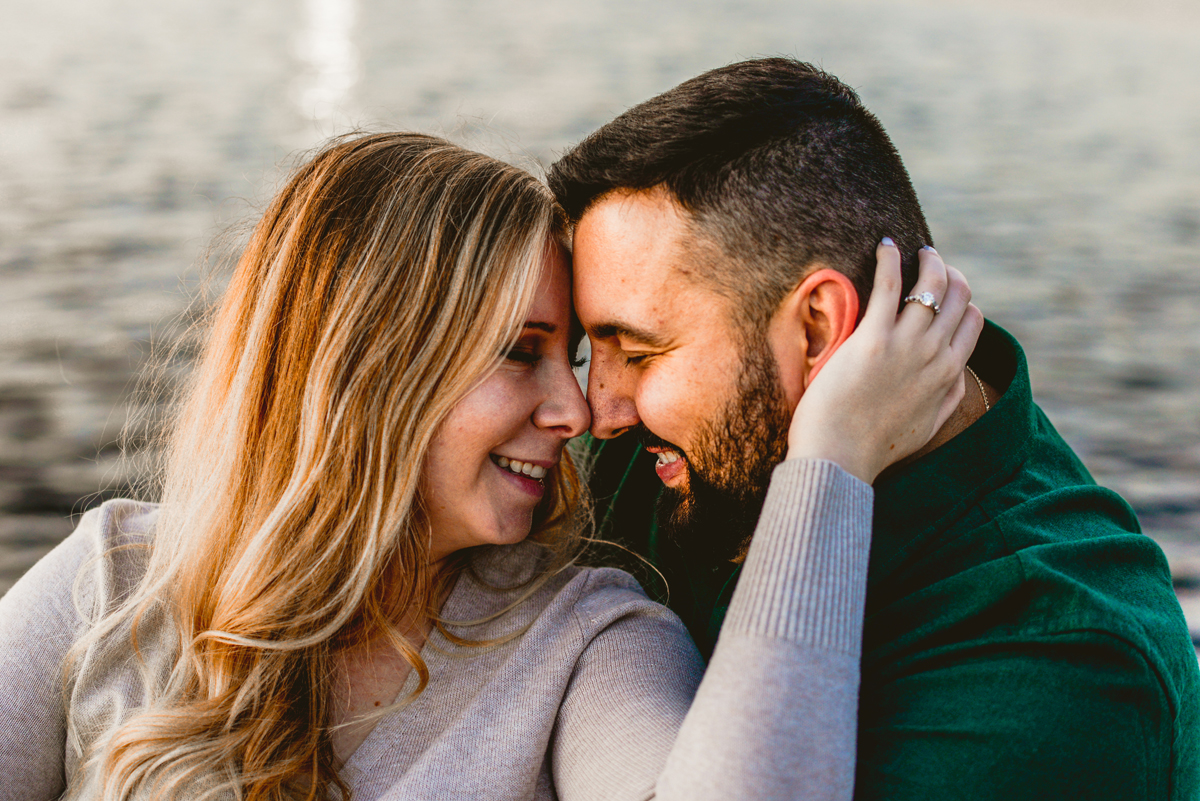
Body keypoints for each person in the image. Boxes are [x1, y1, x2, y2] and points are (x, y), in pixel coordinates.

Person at [0, 132, 978, 800]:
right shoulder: (113, 579)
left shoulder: (588, 638)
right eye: (522, 352)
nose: (577, 412)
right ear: (367, 370)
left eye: (584, 353)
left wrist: (830, 462)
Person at [548, 57, 1200, 800]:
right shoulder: (661, 452)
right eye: (584, 351)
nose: (595, 410)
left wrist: (826, 472)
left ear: (820, 328)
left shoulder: (1062, 668)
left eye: (637, 352)